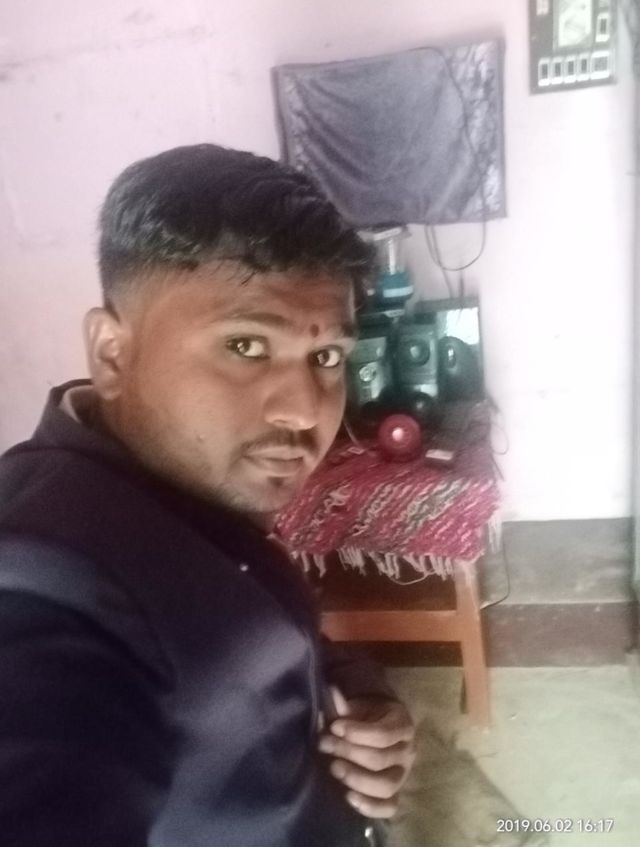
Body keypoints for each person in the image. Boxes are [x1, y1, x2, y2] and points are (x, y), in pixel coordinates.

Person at [0, 144, 416, 847]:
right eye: (247, 346)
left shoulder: (185, 486)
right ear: (111, 353)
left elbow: (249, 628)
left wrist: (361, 697)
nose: (304, 410)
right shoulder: (42, 583)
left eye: (326, 358)